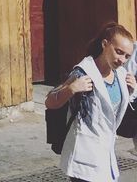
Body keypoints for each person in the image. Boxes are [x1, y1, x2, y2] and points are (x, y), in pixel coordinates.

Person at [46, 20, 137, 180]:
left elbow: (112, 111)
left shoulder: (121, 75)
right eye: (118, 52)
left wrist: (131, 91)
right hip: (84, 158)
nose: (122, 60)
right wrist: (71, 89)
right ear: (104, 44)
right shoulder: (83, 72)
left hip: (106, 157)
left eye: (127, 56)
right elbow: (50, 102)